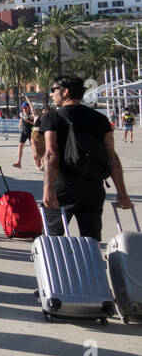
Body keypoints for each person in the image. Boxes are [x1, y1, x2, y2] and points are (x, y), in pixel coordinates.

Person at [43, 75, 131, 239]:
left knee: (52, 238)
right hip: (93, 187)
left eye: (53, 90)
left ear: (65, 92)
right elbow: (113, 158)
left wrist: (47, 189)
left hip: (63, 187)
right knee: (91, 239)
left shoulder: (52, 117)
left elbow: (51, 154)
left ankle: (60, 265)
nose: (51, 94)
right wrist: (122, 193)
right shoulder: (100, 119)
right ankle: (93, 264)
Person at [13, 101, 36, 168]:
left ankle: (38, 163)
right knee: (20, 147)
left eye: (25, 108)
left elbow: (35, 124)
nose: (24, 109)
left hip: (31, 132)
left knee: (34, 149)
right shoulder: (21, 114)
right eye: (23, 108)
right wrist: (20, 124)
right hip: (24, 132)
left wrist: (28, 121)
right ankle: (19, 162)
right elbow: (21, 119)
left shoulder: (31, 115)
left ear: (29, 108)